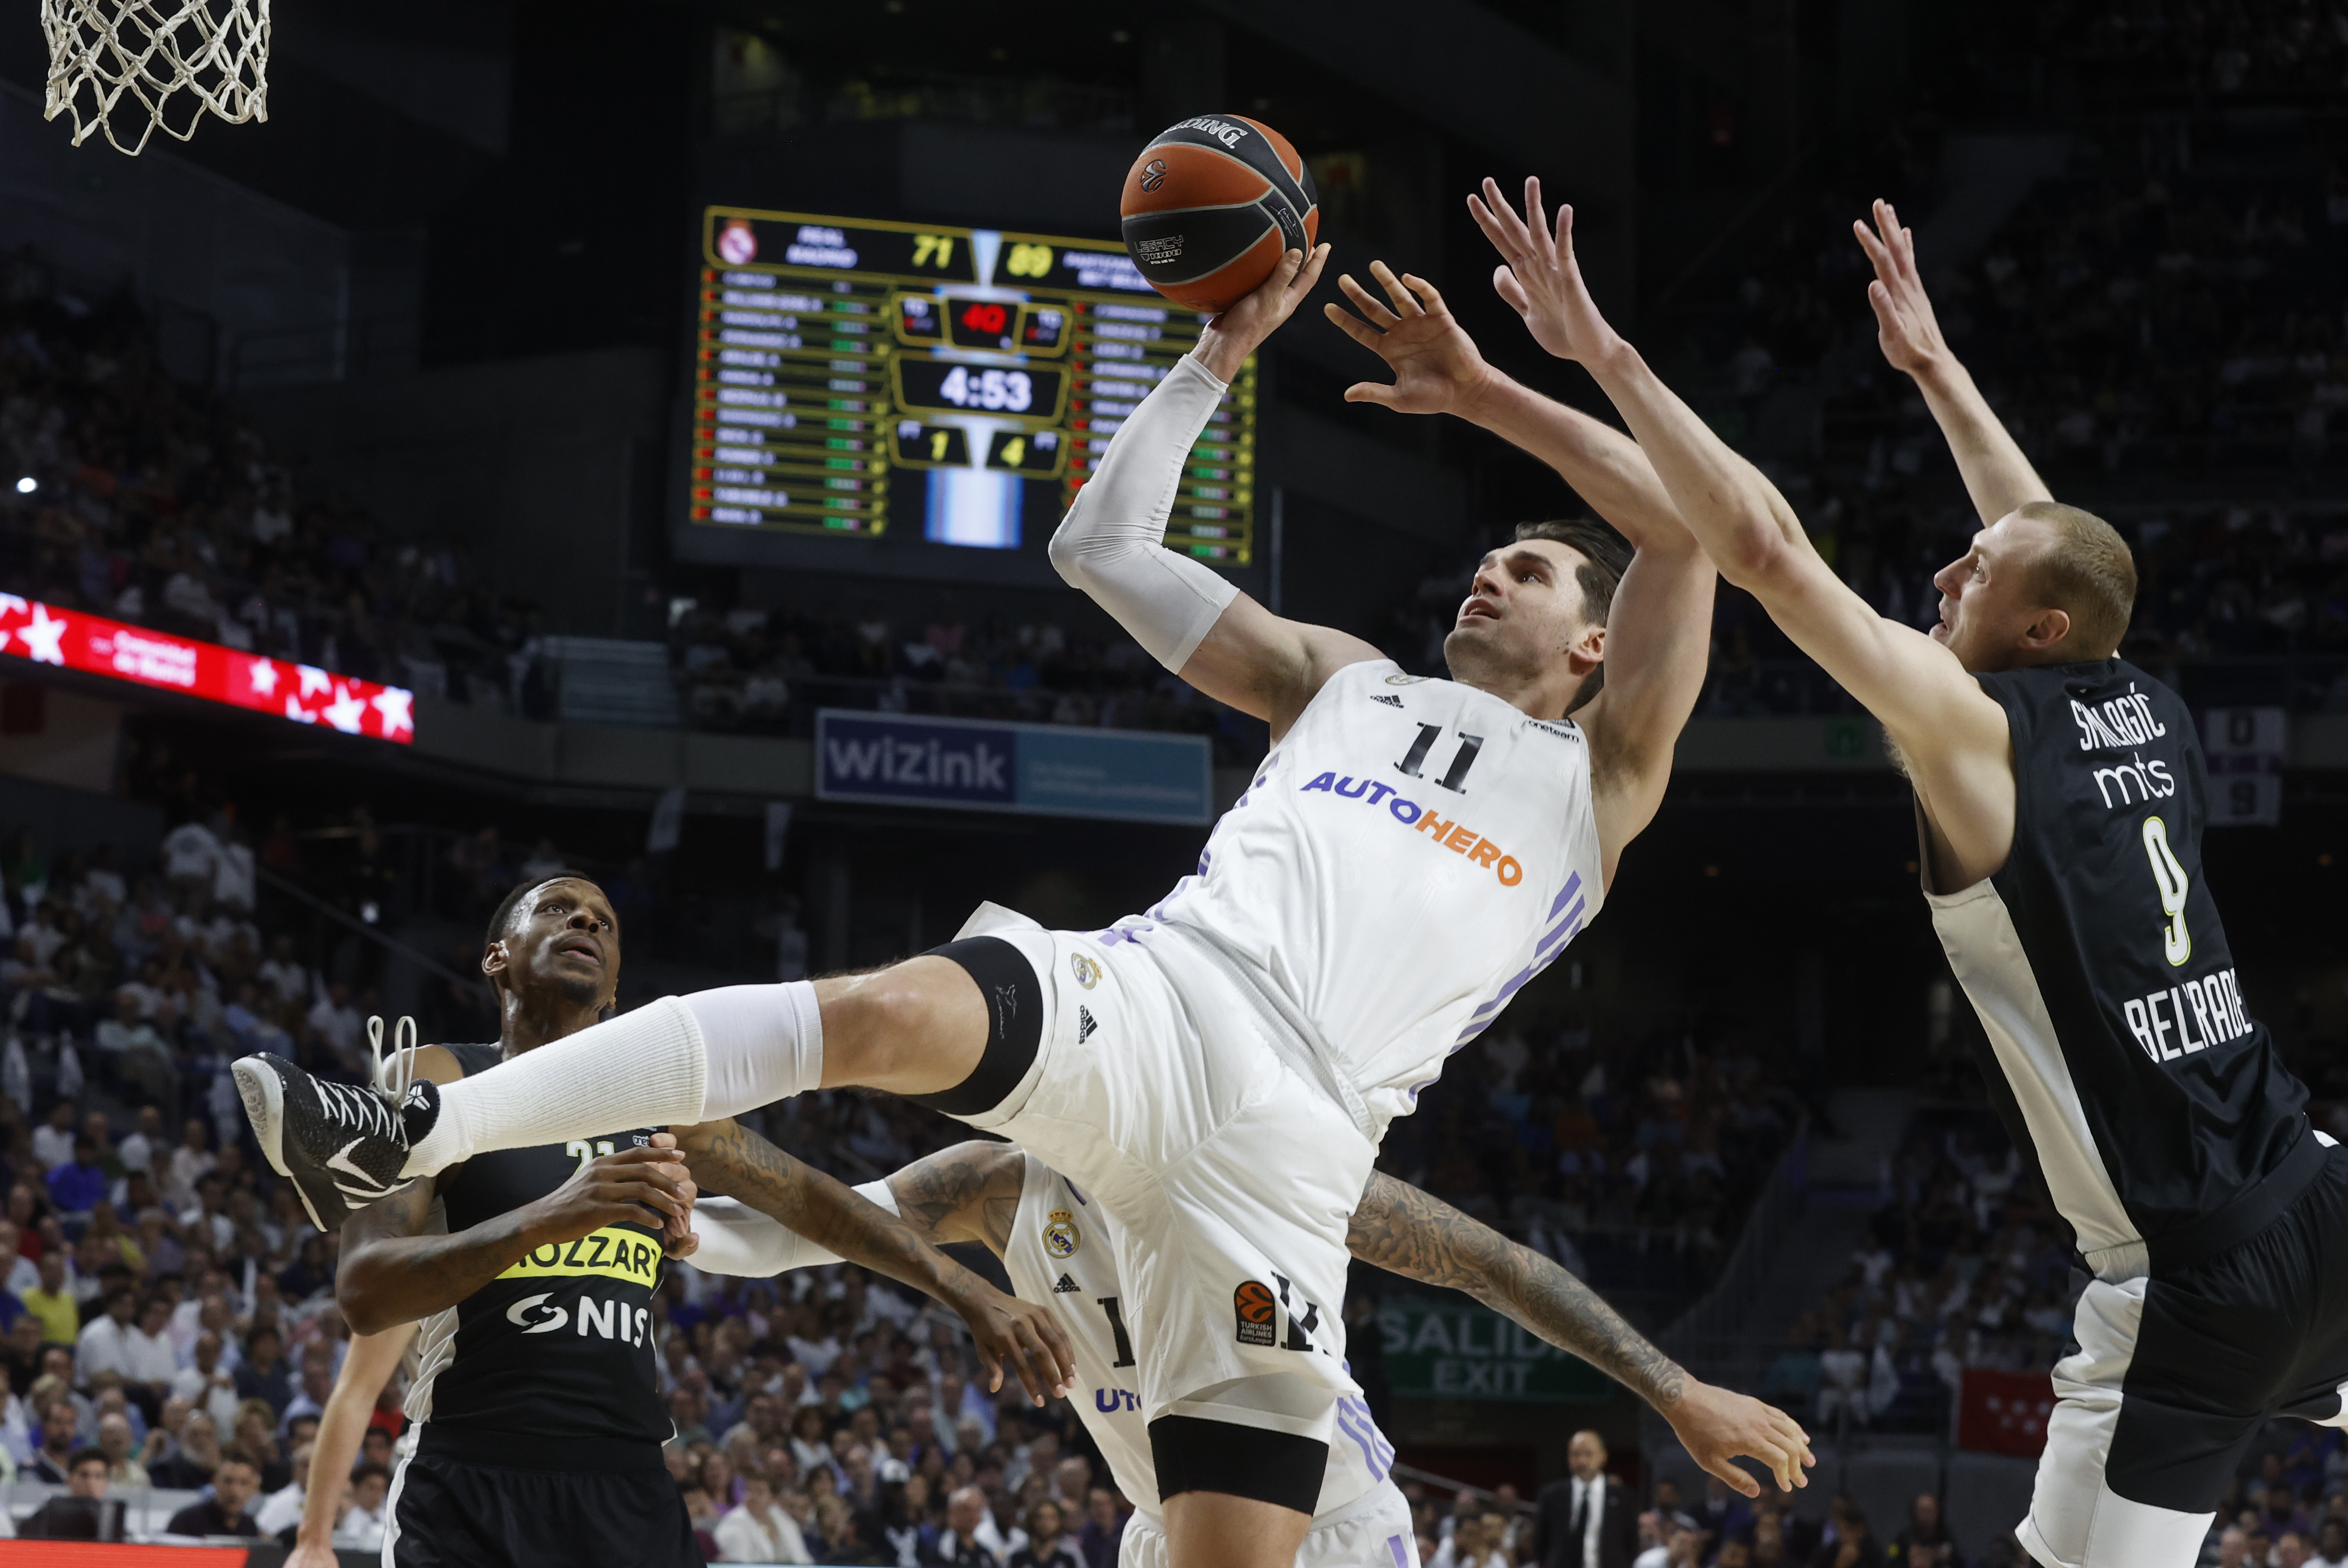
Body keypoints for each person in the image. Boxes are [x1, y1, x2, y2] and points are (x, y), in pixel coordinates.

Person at [241, 242, 1806, 1568]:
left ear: (1594, 645)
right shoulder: (1345, 680)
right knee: (884, 1010)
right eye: (1492, 557)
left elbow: (1682, 526)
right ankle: (409, 1129)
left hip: (1303, 1141)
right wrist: (1213, 357)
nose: (1492, 574)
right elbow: (1099, 545)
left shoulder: (1605, 778)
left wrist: (1485, 392)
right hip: (1167, 994)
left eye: (1530, 569)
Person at [1463, 168, 2348, 1568]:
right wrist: (1934, 370)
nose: (1943, 574)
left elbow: (1766, 549)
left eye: (1971, 574)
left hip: (2193, 1275)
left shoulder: (1975, 733)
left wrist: (1603, 353)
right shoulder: (2144, 700)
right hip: (2311, 1194)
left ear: (2037, 631)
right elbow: (2053, 543)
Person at [316, 873, 1069, 1568]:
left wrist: (966, 1289)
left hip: (628, 1485)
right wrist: (552, 1217)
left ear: (616, 989)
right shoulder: (434, 1082)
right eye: (557, 909)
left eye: (604, 922)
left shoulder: (657, 1105)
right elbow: (364, 1292)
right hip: (472, 1477)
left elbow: (812, 1201)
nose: (585, 921)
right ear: (497, 958)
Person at [677, 1118, 1802, 1568]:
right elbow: (802, 1234)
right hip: (1165, 1531)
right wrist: (681, 1227)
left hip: (1330, 1525)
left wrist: (1673, 1388)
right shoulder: (993, 1183)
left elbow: (1492, 1263)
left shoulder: (1261, 1164)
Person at [1533, 1430, 1636, 1568]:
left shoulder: (1623, 1498)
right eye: (1575, 1455)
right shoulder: (1551, 1496)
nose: (1581, 1461)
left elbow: (1632, 1544)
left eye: (1588, 1454)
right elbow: (1540, 1543)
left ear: (1603, 1456)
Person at [20, 1447, 124, 1540]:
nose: (91, 1483)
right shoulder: (49, 1514)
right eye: (84, 1475)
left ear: (106, 1483)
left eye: (99, 1476)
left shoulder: (111, 1519)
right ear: (69, 1479)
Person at [712, 1472, 809, 1563]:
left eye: (760, 1492)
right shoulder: (734, 1522)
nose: (752, 1496)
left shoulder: (782, 1518)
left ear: (773, 1499)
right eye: (749, 1490)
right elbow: (740, 1563)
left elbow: (802, 1557)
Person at [166, 1453, 264, 1536]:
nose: (234, 1490)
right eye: (228, 1481)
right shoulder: (187, 1522)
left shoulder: (250, 1527)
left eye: (244, 1483)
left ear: (254, 1488)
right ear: (215, 1482)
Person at [1010, 1497, 1086, 1568]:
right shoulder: (1017, 1557)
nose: (1046, 1523)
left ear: (1061, 1521)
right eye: (1041, 1517)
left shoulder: (1071, 1555)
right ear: (1032, 1520)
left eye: (1052, 1518)